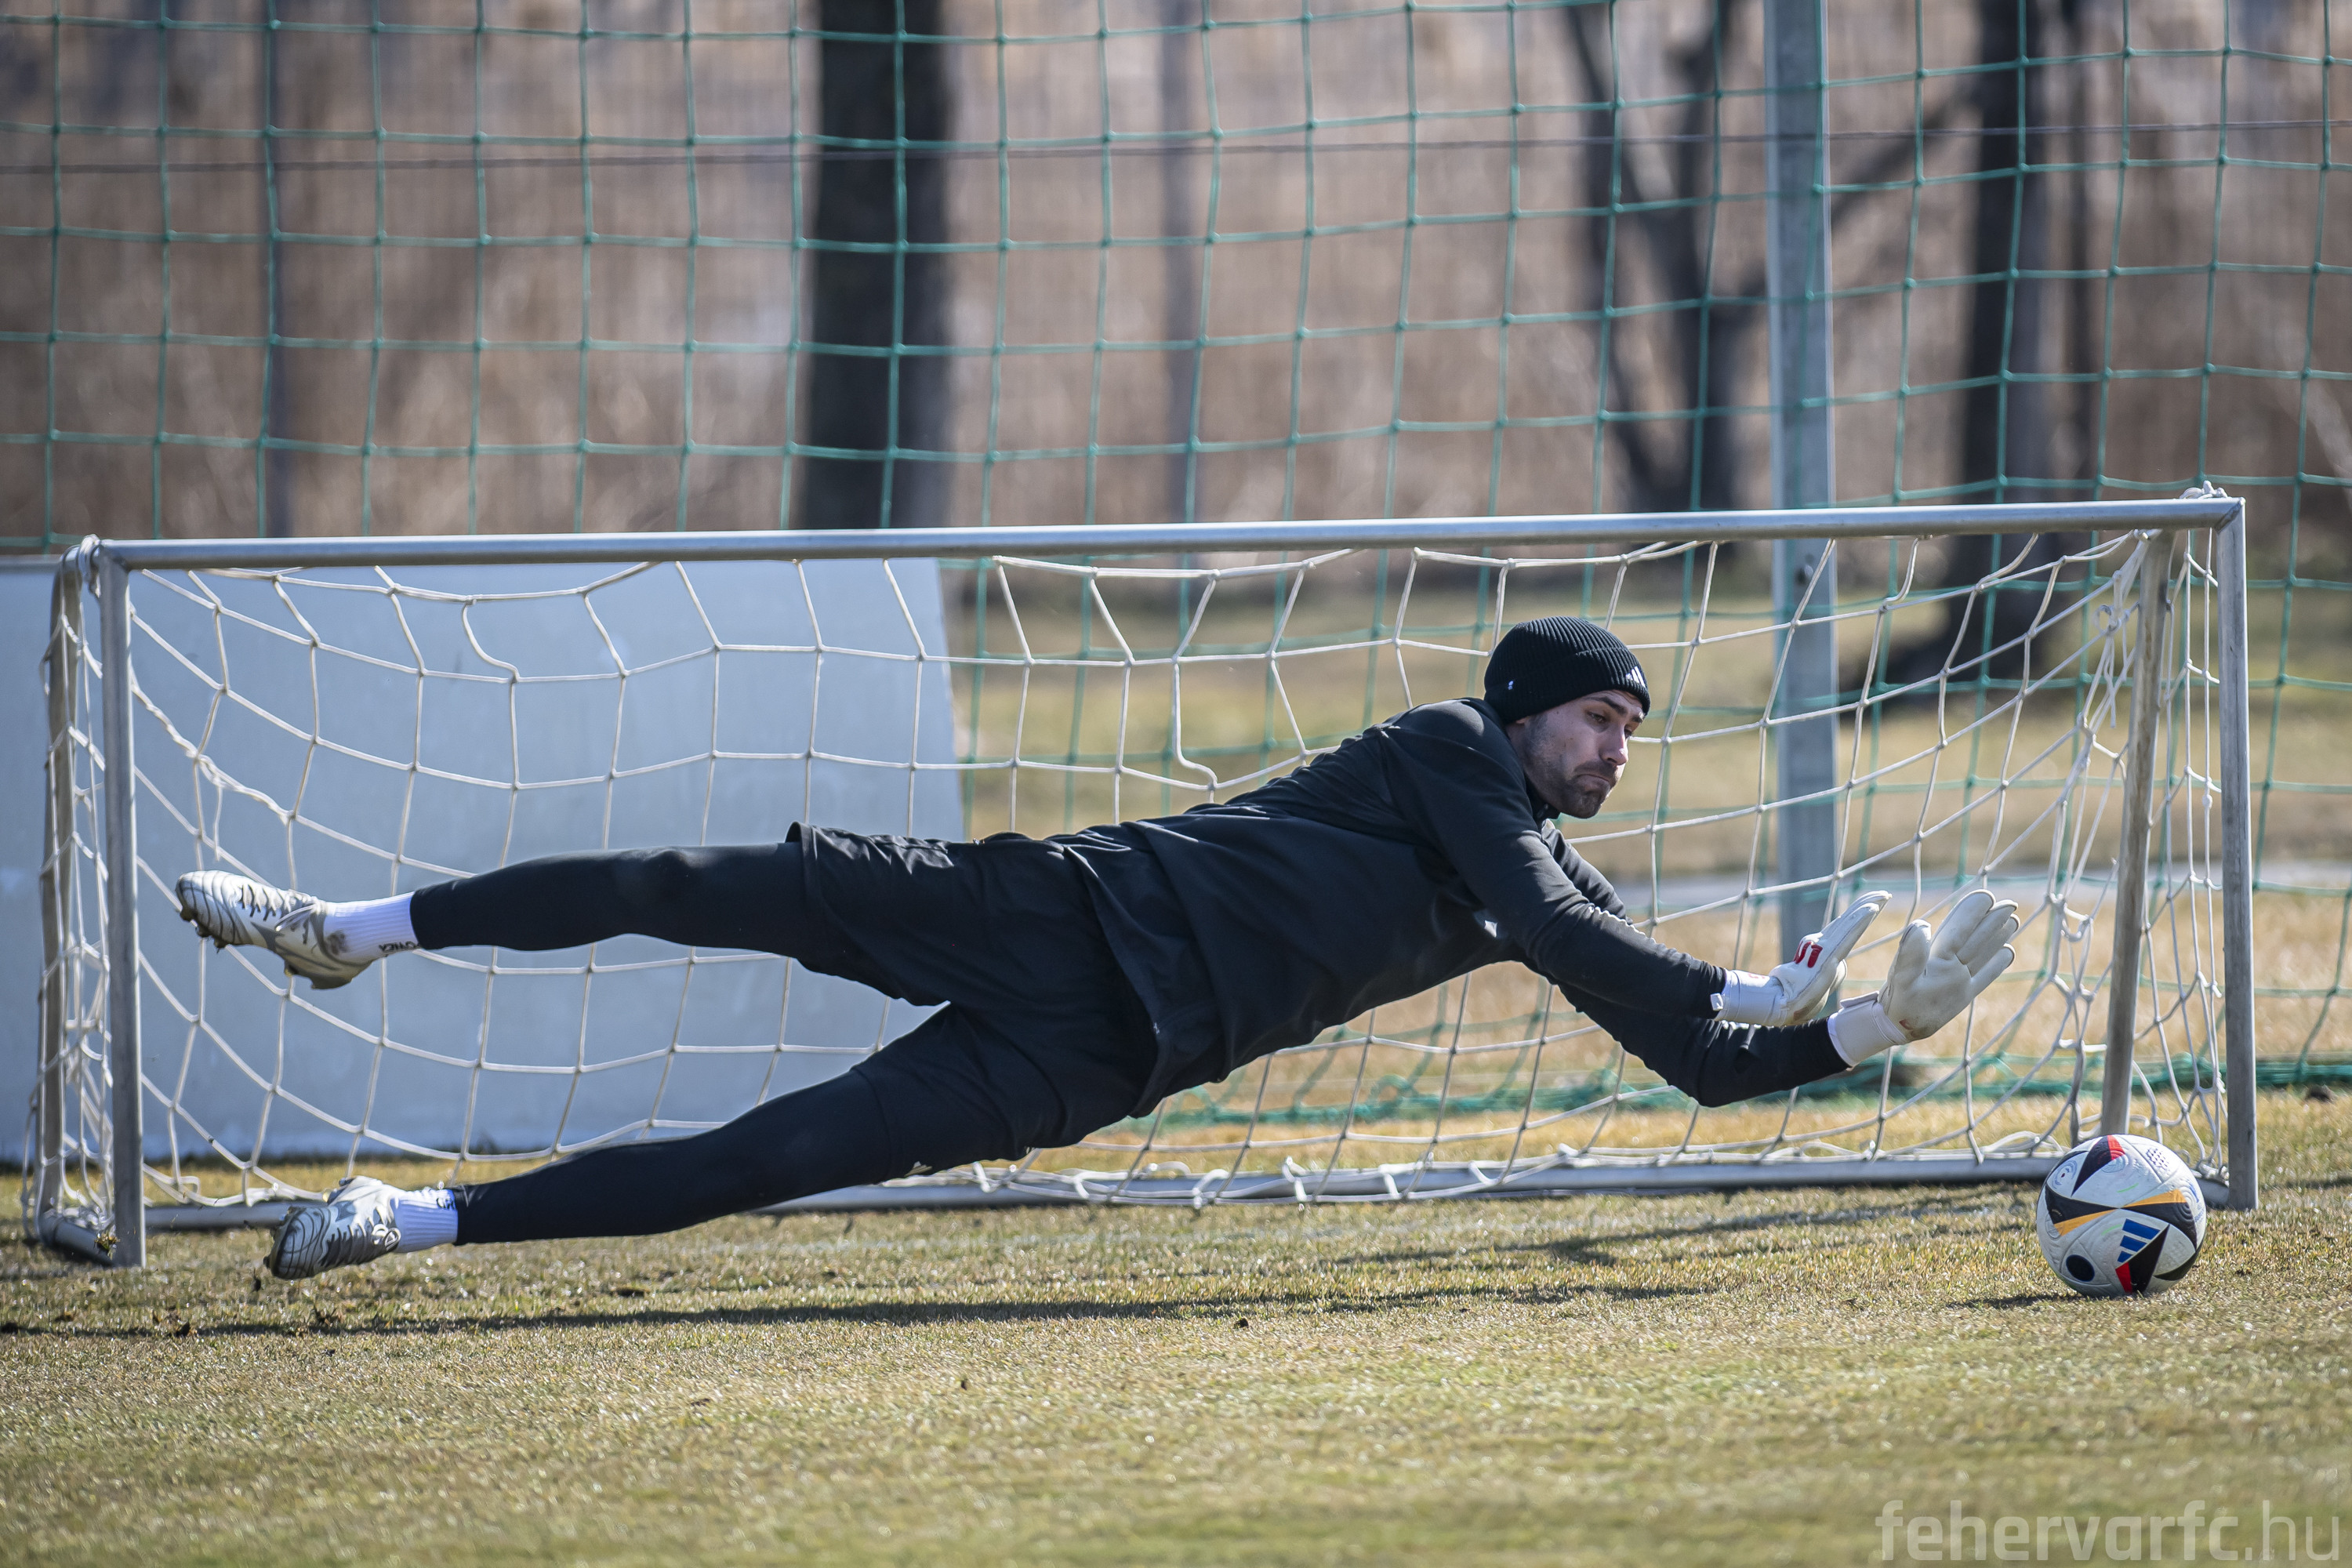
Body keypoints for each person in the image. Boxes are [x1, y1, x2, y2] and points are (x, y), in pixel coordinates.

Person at [174, 615, 2018, 1281]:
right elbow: (1563, 930)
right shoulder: (1452, 756)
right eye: (1602, 718)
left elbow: (1693, 1059)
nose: (1617, 750)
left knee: (769, 1159)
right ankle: (348, 929)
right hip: (1056, 903)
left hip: (1102, 1055)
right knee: (686, 877)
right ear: (1527, 708)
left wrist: (1865, 1024)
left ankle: (405, 1222)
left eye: (1631, 731)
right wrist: (1743, 977)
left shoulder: (1546, 878)